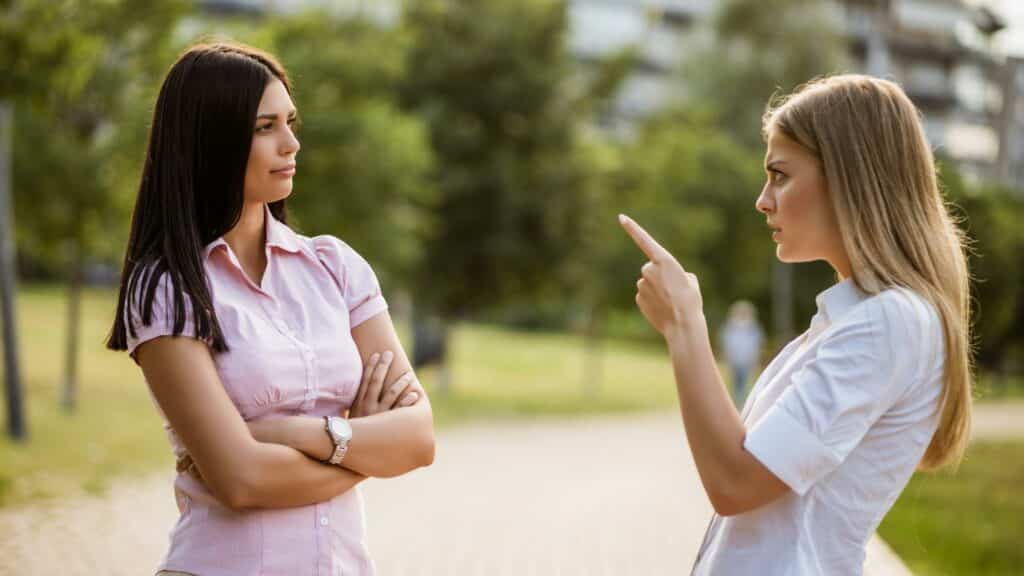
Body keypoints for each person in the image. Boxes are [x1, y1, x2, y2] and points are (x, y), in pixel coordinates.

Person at [619, 74, 972, 575]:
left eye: (780, 175)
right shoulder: (853, 320)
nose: (764, 200)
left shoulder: (888, 323)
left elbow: (736, 483)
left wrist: (684, 326)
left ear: (850, 177)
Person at [106, 42, 435, 576]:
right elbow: (241, 480)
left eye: (290, 121)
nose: (292, 143)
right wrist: (365, 450)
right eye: (265, 127)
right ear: (210, 140)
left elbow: (418, 439)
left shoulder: (336, 267)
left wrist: (301, 435)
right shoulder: (169, 287)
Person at [719, 300, 763, 406]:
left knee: (745, 385)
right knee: (734, 385)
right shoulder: (730, 328)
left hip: (747, 361)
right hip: (734, 361)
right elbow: (726, 343)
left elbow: (756, 345)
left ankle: (743, 406)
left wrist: (754, 359)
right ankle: (734, 406)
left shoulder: (753, 329)